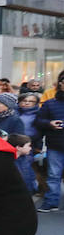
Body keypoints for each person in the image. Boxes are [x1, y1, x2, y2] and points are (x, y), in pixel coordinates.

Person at [37, 71, 64, 212]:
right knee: (54, 175)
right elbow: (39, 121)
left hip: (55, 143)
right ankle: (51, 202)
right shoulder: (50, 103)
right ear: (60, 84)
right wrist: (50, 123)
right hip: (55, 144)